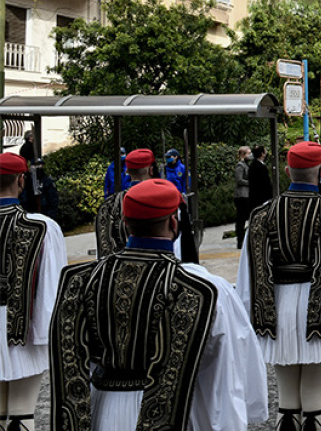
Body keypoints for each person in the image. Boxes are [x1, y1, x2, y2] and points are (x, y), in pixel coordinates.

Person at [53, 178, 268, 430]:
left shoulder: (83, 280)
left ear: (125, 223)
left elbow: (73, 358)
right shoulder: (205, 288)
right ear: (173, 223)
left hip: (103, 409)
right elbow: (227, 365)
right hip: (177, 413)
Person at [237, 141, 321, 431]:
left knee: (286, 401)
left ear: (287, 172)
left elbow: (247, 275)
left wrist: (250, 318)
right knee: (315, 400)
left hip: (275, 311)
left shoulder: (260, 215)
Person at [0, 154, 66, 431]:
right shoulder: (42, 227)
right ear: (21, 181)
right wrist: (48, 333)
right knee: (21, 413)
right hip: (22, 330)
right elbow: (52, 286)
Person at [94, 148, 197, 262]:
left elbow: (103, 249)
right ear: (151, 170)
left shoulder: (107, 206)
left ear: (127, 171)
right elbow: (179, 248)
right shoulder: (167, 201)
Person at [233, 146, 251, 250]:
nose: (250, 155)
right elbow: (239, 180)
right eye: (248, 153)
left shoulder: (246, 165)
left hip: (247, 194)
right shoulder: (240, 166)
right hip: (241, 195)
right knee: (241, 218)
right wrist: (251, 182)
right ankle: (240, 240)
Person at [247, 145, 273, 212]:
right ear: (262, 154)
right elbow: (265, 183)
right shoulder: (261, 167)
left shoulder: (252, 165)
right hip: (262, 197)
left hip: (254, 196)